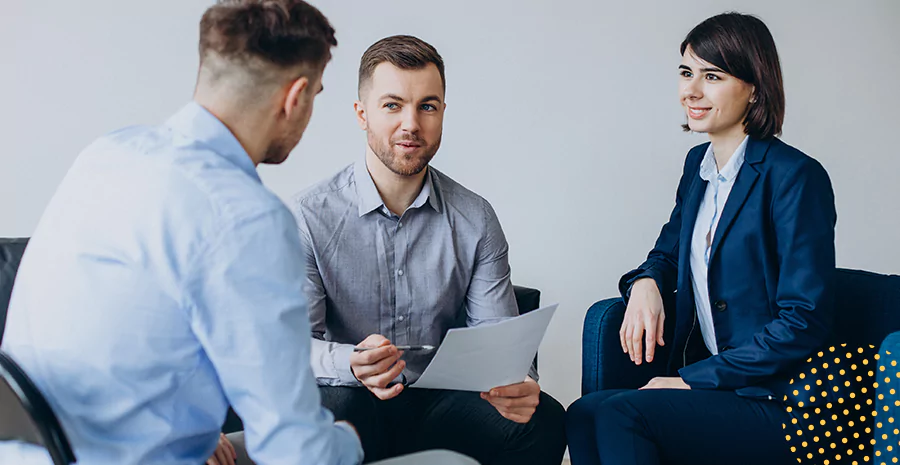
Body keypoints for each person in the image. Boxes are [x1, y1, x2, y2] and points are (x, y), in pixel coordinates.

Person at [0, 2, 470, 465]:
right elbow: (295, 454)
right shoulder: (245, 218)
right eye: (317, 95)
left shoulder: (107, 156)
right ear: (295, 97)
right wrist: (349, 438)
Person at [225, 35, 566, 465]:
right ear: (362, 114)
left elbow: (497, 340)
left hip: (440, 403)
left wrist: (518, 383)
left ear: (443, 112)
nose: (411, 124)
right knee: (336, 413)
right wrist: (351, 362)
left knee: (544, 419)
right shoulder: (307, 217)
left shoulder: (476, 217)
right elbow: (289, 347)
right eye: (392, 105)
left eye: (427, 106)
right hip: (350, 397)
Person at [566, 12, 837, 465]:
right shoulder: (699, 168)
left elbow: (805, 320)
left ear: (754, 87)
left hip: (779, 400)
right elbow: (665, 254)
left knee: (623, 414)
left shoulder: (795, 178)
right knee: (583, 413)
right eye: (686, 72)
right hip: (721, 390)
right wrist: (646, 284)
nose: (691, 91)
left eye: (712, 76)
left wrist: (695, 379)